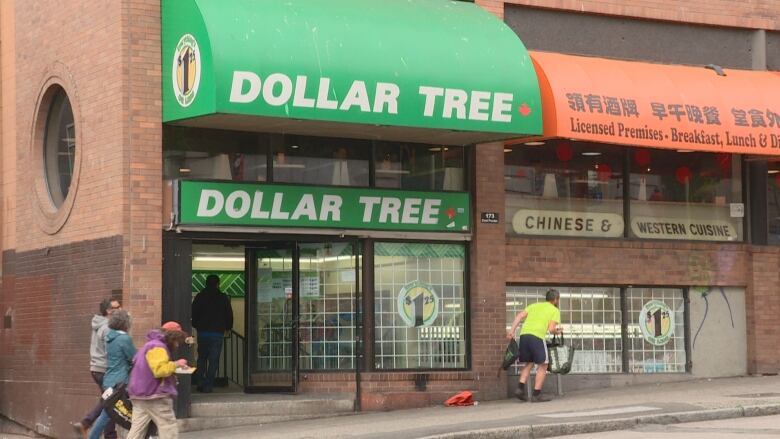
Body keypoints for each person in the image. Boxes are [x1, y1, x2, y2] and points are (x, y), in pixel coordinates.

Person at [126, 321, 189, 439]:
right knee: (168, 428)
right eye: (176, 341)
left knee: (136, 431)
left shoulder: (149, 345)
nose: (177, 345)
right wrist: (176, 364)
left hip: (139, 394)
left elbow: (151, 369)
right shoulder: (158, 347)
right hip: (155, 395)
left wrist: (174, 367)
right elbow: (159, 370)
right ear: (172, 337)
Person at [73, 298, 122, 438]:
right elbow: (111, 351)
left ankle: (105, 433)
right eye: (117, 307)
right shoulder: (108, 327)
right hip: (105, 370)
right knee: (110, 402)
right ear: (109, 311)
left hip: (97, 368)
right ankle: (86, 423)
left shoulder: (99, 323)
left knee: (109, 401)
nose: (120, 309)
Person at [506, 289, 562, 403]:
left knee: (529, 363)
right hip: (537, 336)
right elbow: (551, 329)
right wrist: (558, 331)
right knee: (544, 365)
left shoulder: (534, 305)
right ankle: (537, 394)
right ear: (556, 300)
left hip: (524, 335)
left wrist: (512, 331)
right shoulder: (554, 310)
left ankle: (520, 388)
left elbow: (519, 316)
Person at [88, 310, 136, 439]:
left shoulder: (111, 337)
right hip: (120, 382)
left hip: (109, 379)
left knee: (107, 413)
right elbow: (134, 357)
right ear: (125, 323)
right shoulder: (124, 339)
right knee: (109, 415)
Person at [191, 275, 233, 393]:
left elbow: (193, 312)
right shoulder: (222, 297)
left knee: (202, 358)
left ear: (206, 283)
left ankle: (200, 382)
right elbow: (229, 314)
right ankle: (208, 385)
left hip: (203, 332)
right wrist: (228, 327)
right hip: (217, 333)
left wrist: (197, 326)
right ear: (218, 284)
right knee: (214, 360)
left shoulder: (200, 297)